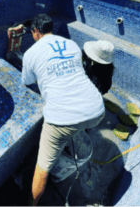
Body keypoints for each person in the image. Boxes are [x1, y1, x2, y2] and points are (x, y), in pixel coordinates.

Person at [21, 14, 105, 206]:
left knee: (42, 169)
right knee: (77, 128)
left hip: (62, 119)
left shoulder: (31, 53)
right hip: (97, 109)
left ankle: (30, 204)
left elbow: (27, 81)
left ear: (35, 32)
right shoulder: (72, 45)